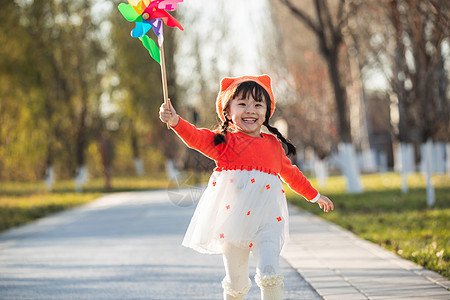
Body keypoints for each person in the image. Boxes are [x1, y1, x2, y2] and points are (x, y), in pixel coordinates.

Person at [159, 74, 334, 300]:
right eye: (242, 104)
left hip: (268, 223)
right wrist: (175, 122)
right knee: (236, 282)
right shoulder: (224, 143)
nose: (250, 110)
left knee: (270, 272)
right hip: (234, 224)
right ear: (228, 111)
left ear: (266, 111)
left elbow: (291, 174)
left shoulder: (273, 145)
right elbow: (197, 138)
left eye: (257, 105)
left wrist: (315, 195)